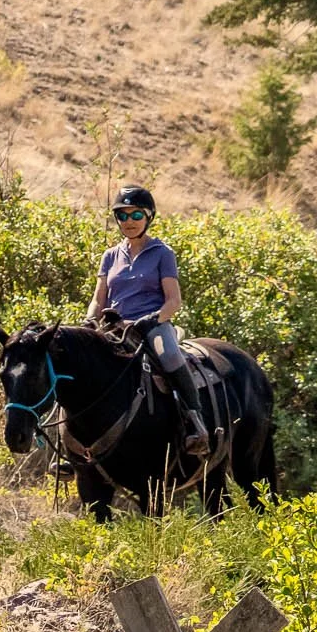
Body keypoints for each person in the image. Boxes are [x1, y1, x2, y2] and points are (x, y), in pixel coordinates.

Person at [83, 185, 212, 459]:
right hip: (113, 326)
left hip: (152, 326)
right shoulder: (110, 256)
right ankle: (68, 445)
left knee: (169, 356)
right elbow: (98, 298)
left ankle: (195, 422)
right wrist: (88, 321)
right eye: (122, 217)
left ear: (149, 217)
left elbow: (173, 301)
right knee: (77, 363)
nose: (128, 222)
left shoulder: (162, 253)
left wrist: (151, 320)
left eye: (136, 215)